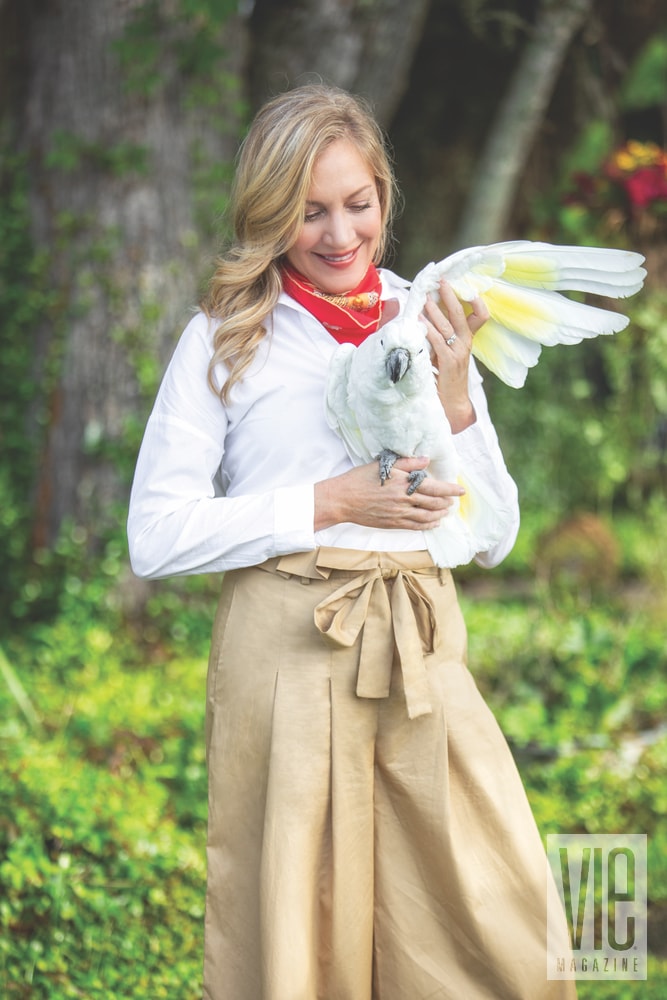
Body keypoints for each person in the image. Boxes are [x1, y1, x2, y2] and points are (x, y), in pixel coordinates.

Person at [127, 84, 575, 1000]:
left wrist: (455, 406)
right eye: (310, 211)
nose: (339, 235)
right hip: (286, 650)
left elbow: (489, 537)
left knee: (497, 926)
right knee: (304, 939)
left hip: (419, 646)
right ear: (270, 213)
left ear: (383, 195)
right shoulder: (224, 340)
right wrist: (329, 501)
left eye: (357, 205)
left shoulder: (432, 316)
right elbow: (155, 536)